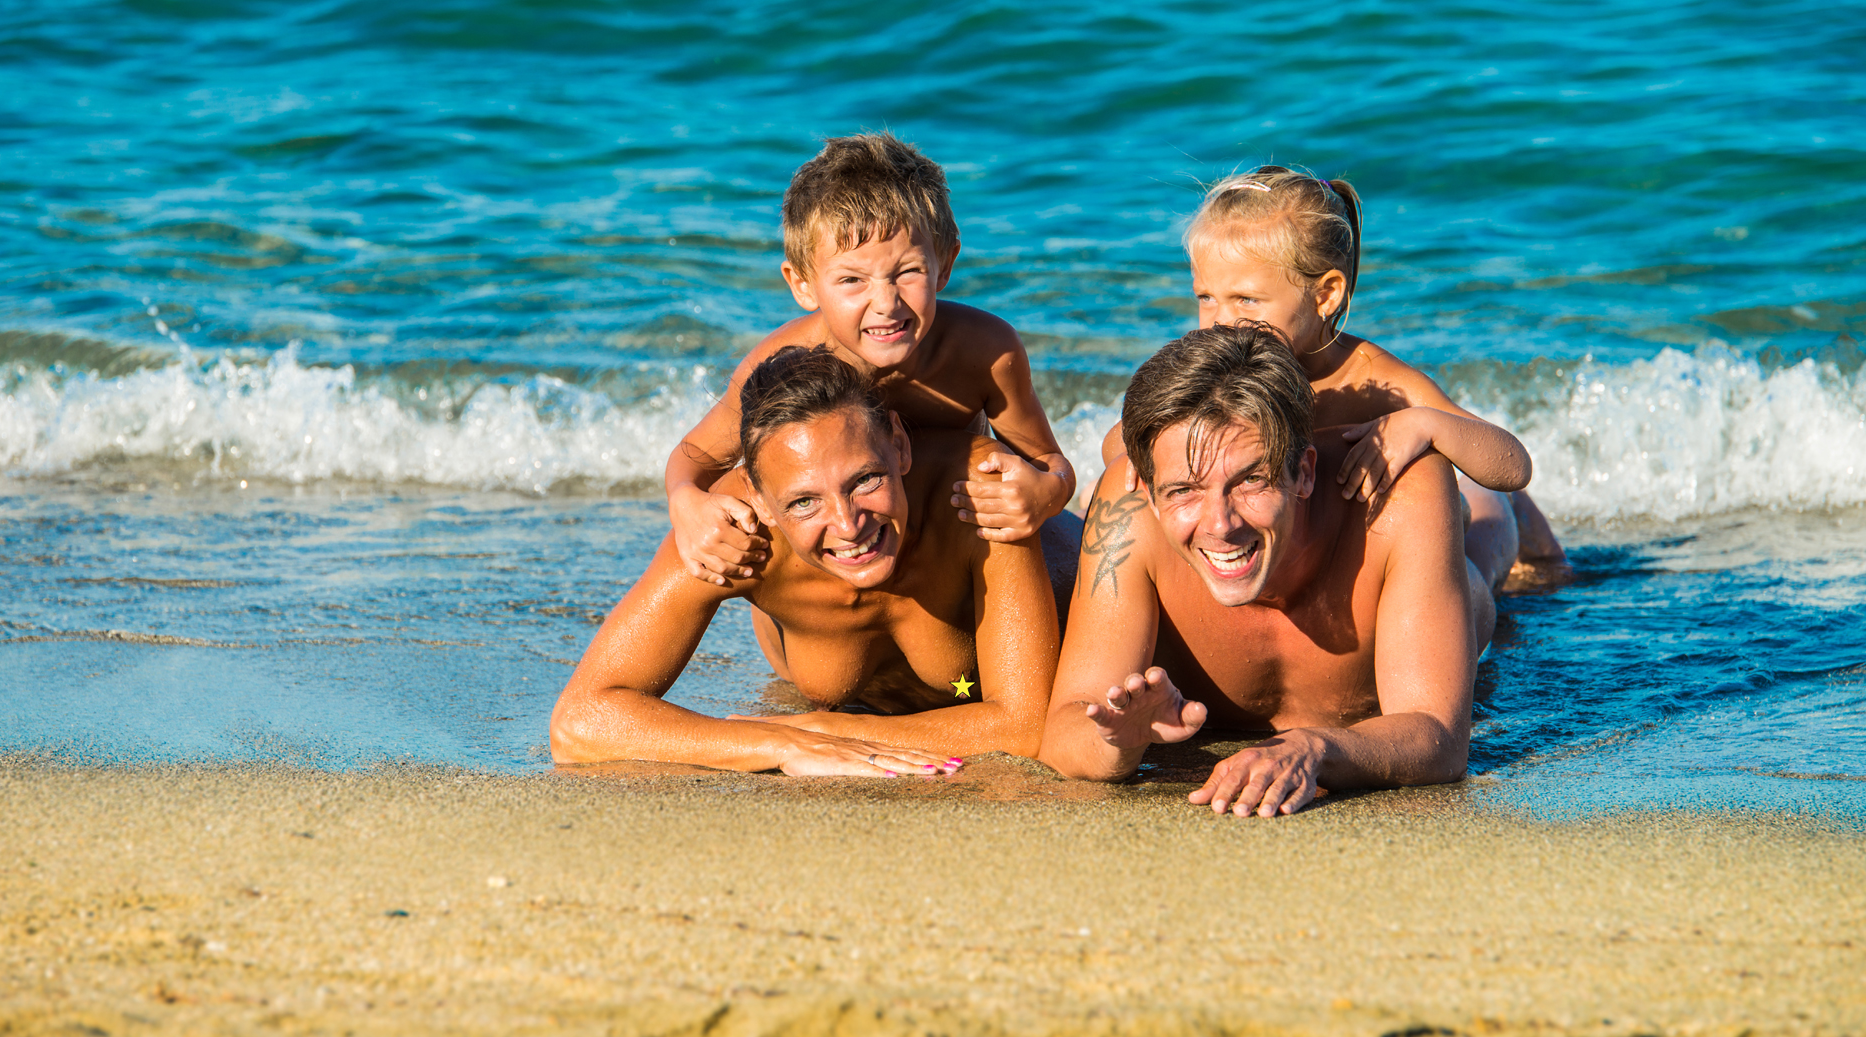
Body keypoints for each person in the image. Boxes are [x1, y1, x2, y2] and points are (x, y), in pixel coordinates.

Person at [551, 345, 1060, 775]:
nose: (848, 524)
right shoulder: (733, 532)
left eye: (866, 480)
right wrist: (783, 744)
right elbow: (580, 723)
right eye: (803, 501)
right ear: (760, 496)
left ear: (900, 446)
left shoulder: (975, 495)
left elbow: (1029, 723)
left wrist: (832, 727)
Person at [1042, 326, 1485, 816]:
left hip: (1452, 584)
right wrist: (1119, 743)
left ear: (1305, 472)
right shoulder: (1127, 517)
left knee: (1488, 557)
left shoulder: (1399, 495)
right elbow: (1064, 729)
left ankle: (1500, 515)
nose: (1220, 524)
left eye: (1252, 479)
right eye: (1184, 491)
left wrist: (1317, 748)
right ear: (1147, 490)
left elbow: (1438, 737)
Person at [1100, 164, 1568, 593]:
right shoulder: (1212, 375)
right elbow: (1115, 445)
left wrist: (1423, 424)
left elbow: (1511, 466)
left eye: (1245, 300)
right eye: (1206, 297)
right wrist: (1148, 456)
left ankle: (1544, 556)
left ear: (1325, 294)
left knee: (1487, 530)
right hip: (1315, 550)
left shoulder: (1369, 377)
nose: (1220, 322)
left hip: (1449, 532)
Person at [666, 132, 1077, 593]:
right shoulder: (786, 366)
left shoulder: (985, 351)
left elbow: (1047, 461)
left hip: (935, 540)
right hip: (835, 544)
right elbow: (695, 456)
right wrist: (684, 502)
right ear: (801, 284)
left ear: (945, 262)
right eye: (851, 280)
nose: (885, 303)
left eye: (907, 272)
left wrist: (1046, 492)